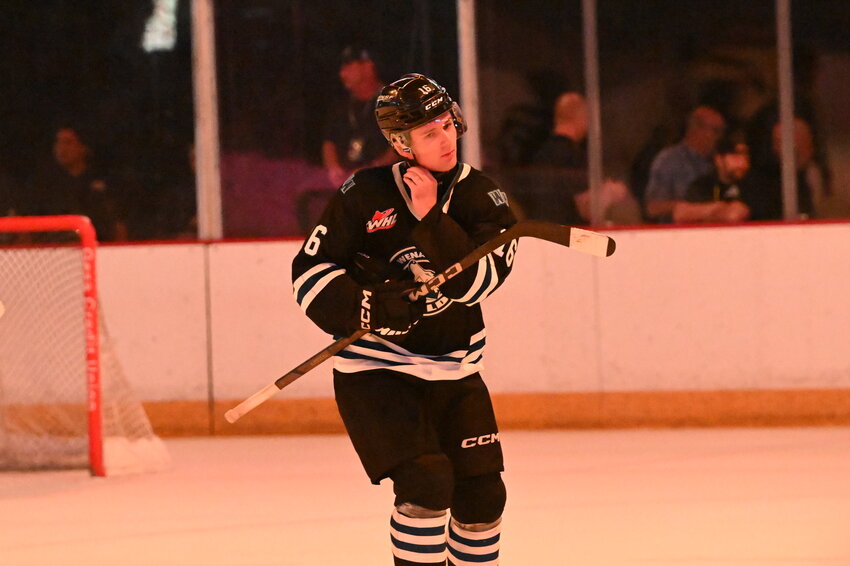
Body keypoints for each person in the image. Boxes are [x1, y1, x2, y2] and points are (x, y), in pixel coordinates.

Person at [292, 74, 516, 566]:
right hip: (375, 375)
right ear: (400, 143)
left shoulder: (481, 196)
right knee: (427, 483)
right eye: (429, 133)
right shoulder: (363, 194)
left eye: (447, 124)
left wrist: (433, 218)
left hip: (455, 373)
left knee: (483, 499)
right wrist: (369, 306)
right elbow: (308, 273)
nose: (446, 139)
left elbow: (482, 280)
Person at [531, 92, 639, 224]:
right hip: (569, 236)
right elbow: (587, 209)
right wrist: (611, 193)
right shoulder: (574, 157)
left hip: (541, 234)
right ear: (581, 117)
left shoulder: (540, 155)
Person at [24, 124, 127, 241]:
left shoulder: (101, 183)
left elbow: (117, 225)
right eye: (58, 142)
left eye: (68, 142)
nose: (62, 148)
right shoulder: (46, 185)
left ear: (84, 147)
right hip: (55, 250)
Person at [321, 45, 396, 187]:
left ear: (368, 66)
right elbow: (329, 141)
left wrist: (374, 168)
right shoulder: (343, 105)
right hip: (346, 180)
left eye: (348, 67)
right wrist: (333, 168)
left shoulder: (391, 101)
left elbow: (402, 145)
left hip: (383, 180)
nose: (342, 74)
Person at [644, 105, 726, 223]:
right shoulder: (669, 160)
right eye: (716, 131)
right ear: (696, 129)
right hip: (677, 234)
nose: (720, 137)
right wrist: (695, 210)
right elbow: (653, 208)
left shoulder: (719, 161)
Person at [746, 117, 818, 221]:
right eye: (777, 142)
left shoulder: (816, 175)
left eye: (782, 142)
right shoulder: (764, 184)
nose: (778, 149)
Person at [673, 136, 751, 224]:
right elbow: (680, 213)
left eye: (746, 155)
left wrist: (705, 212)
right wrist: (719, 208)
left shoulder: (754, 185)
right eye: (735, 155)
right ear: (719, 160)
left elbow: (737, 214)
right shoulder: (704, 184)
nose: (743, 161)